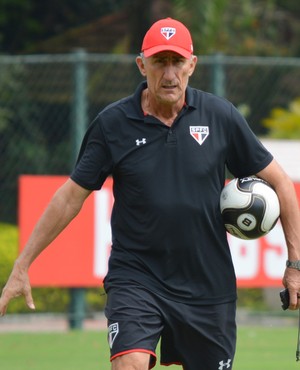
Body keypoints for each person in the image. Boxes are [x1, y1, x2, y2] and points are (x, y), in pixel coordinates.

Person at [1, 17, 300, 370]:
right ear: (142, 65)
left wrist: (294, 265)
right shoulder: (113, 124)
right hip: (136, 279)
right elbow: (69, 197)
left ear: (193, 65)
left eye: (177, 62)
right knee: (129, 363)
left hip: (207, 286)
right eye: (160, 62)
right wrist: (22, 264)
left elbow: (282, 184)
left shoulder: (221, 117)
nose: (169, 74)